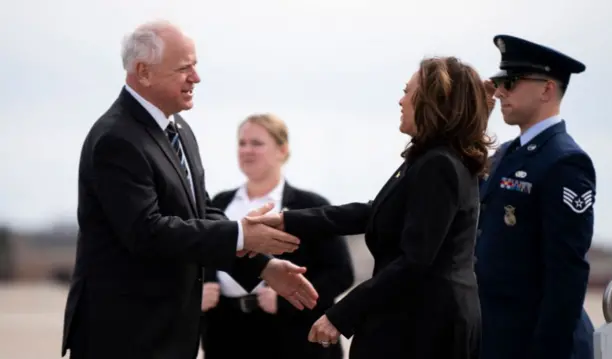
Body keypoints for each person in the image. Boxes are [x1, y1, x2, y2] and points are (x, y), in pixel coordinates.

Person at [60, 20, 318, 359]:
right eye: (184, 68)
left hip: (170, 335)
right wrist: (241, 235)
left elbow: (202, 213)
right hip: (125, 336)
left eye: (195, 66)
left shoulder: (179, 129)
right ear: (144, 72)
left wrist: (263, 266)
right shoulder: (116, 139)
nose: (196, 77)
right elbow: (146, 232)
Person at [248, 56, 493, 359]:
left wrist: (341, 314)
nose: (400, 101)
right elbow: (373, 212)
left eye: (408, 91)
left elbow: (416, 260)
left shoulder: (439, 164)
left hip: (425, 328)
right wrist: (287, 221)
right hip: (417, 321)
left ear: (433, 101)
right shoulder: (431, 159)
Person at [475, 34, 596, 359]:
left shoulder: (564, 161)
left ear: (547, 89)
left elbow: (567, 273)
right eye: (500, 82)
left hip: (533, 343)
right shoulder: (506, 154)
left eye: (511, 82)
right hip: (497, 337)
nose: (499, 92)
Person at [200, 113, 354, 359]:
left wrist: (284, 300)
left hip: (292, 337)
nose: (246, 150)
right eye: (242, 143)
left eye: (257, 143)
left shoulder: (309, 207)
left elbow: (341, 274)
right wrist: (204, 286)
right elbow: (202, 252)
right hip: (225, 333)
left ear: (282, 150)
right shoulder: (219, 204)